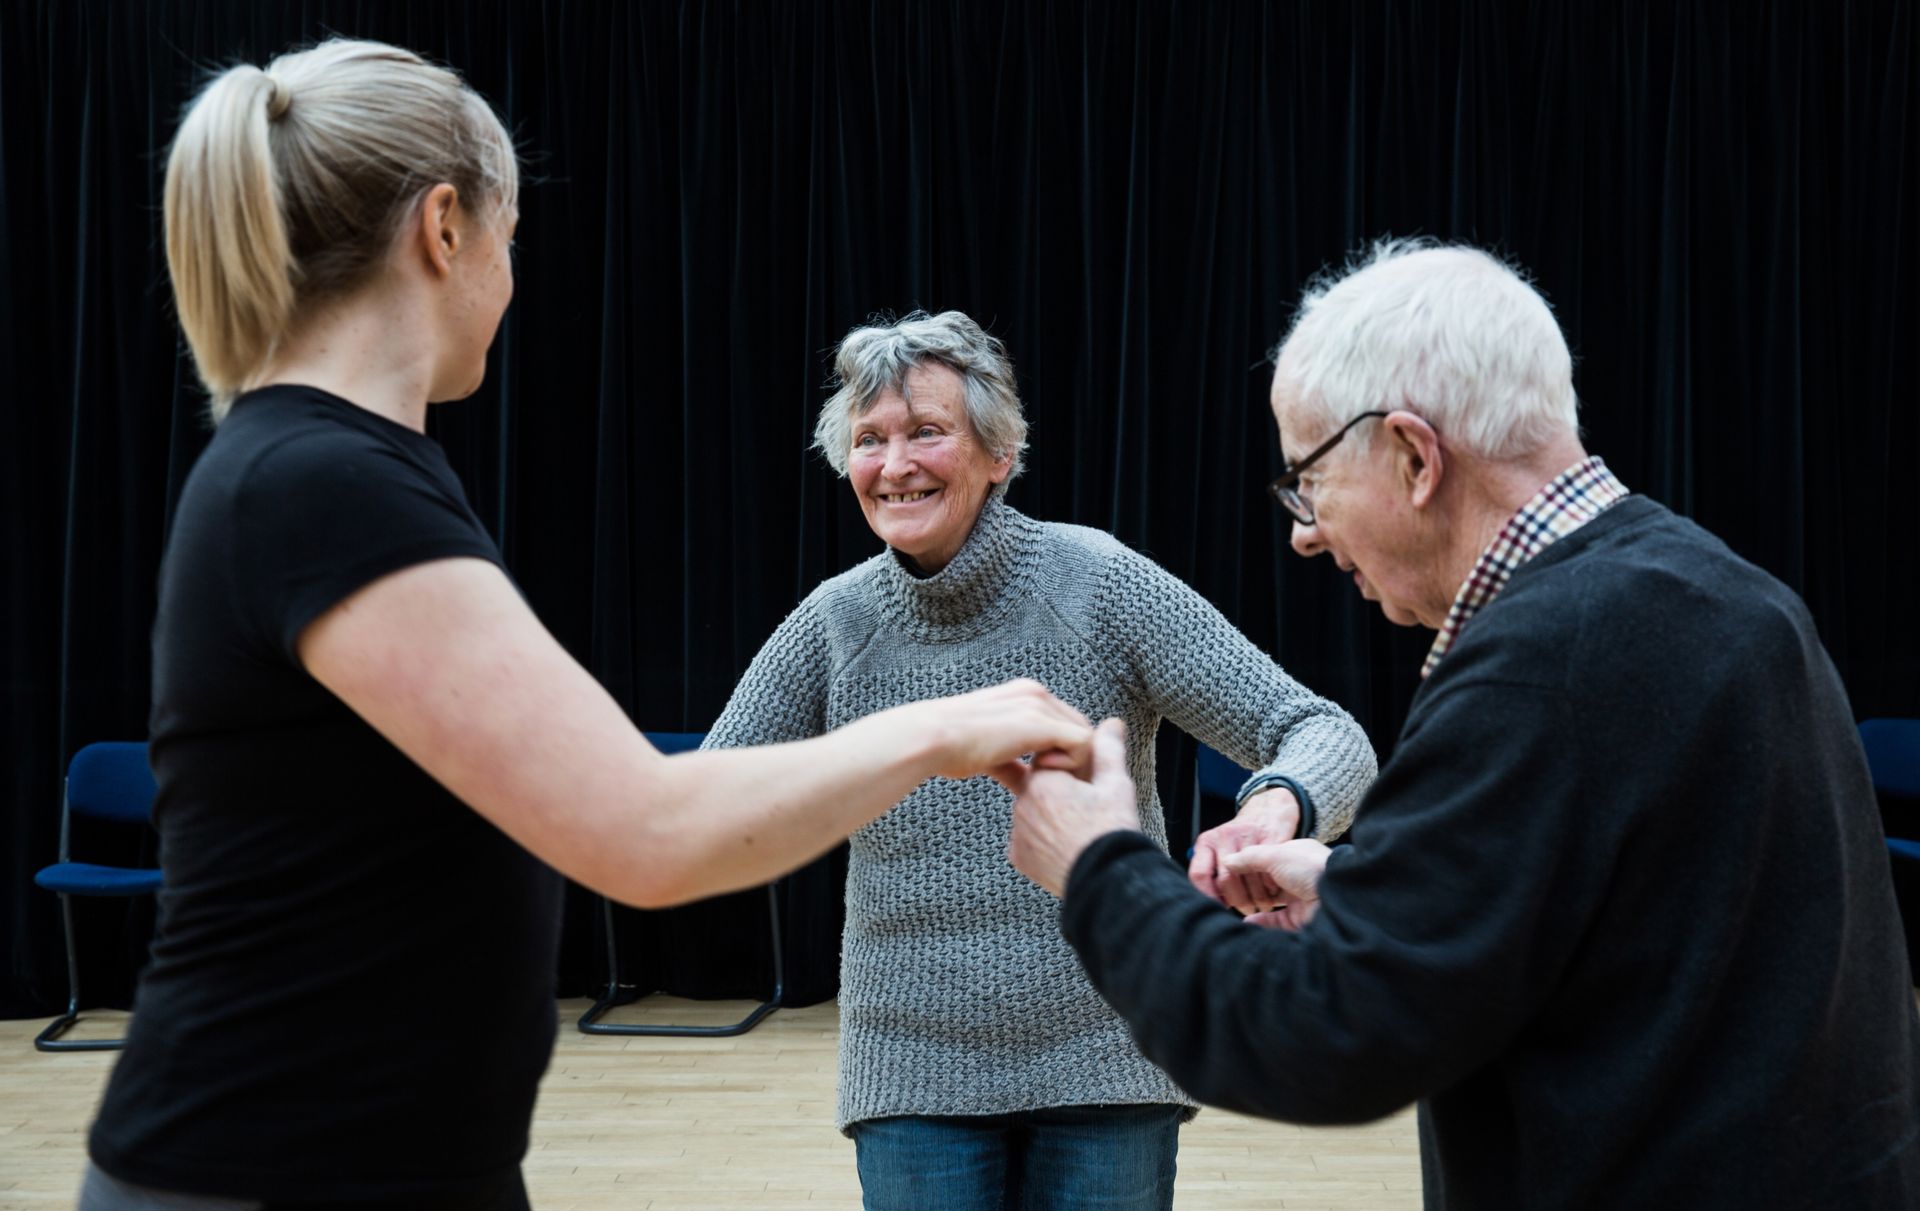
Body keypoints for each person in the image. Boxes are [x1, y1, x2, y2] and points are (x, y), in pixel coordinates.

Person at [81, 41, 1095, 1211]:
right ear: (446, 227)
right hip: (276, 1167)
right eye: (511, 237)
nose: (511, 278)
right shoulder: (321, 483)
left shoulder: (342, 471)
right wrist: (945, 727)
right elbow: (648, 833)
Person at [1004, 241, 1920, 1209]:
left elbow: (1317, 1037)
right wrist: (1371, 886)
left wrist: (1098, 862)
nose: (1303, 531)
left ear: (1412, 453)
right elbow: (1648, 930)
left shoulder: (1545, 663)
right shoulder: (1730, 596)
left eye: (1307, 478)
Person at [702, 310, 1378, 1210]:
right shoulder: (834, 625)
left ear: (999, 452)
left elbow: (1324, 730)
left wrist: (1271, 809)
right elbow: (702, 800)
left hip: (1110, 1055)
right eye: (871, 440)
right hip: (911, 1069)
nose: (896, 464)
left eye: (927, 432)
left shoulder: (1096, 583)